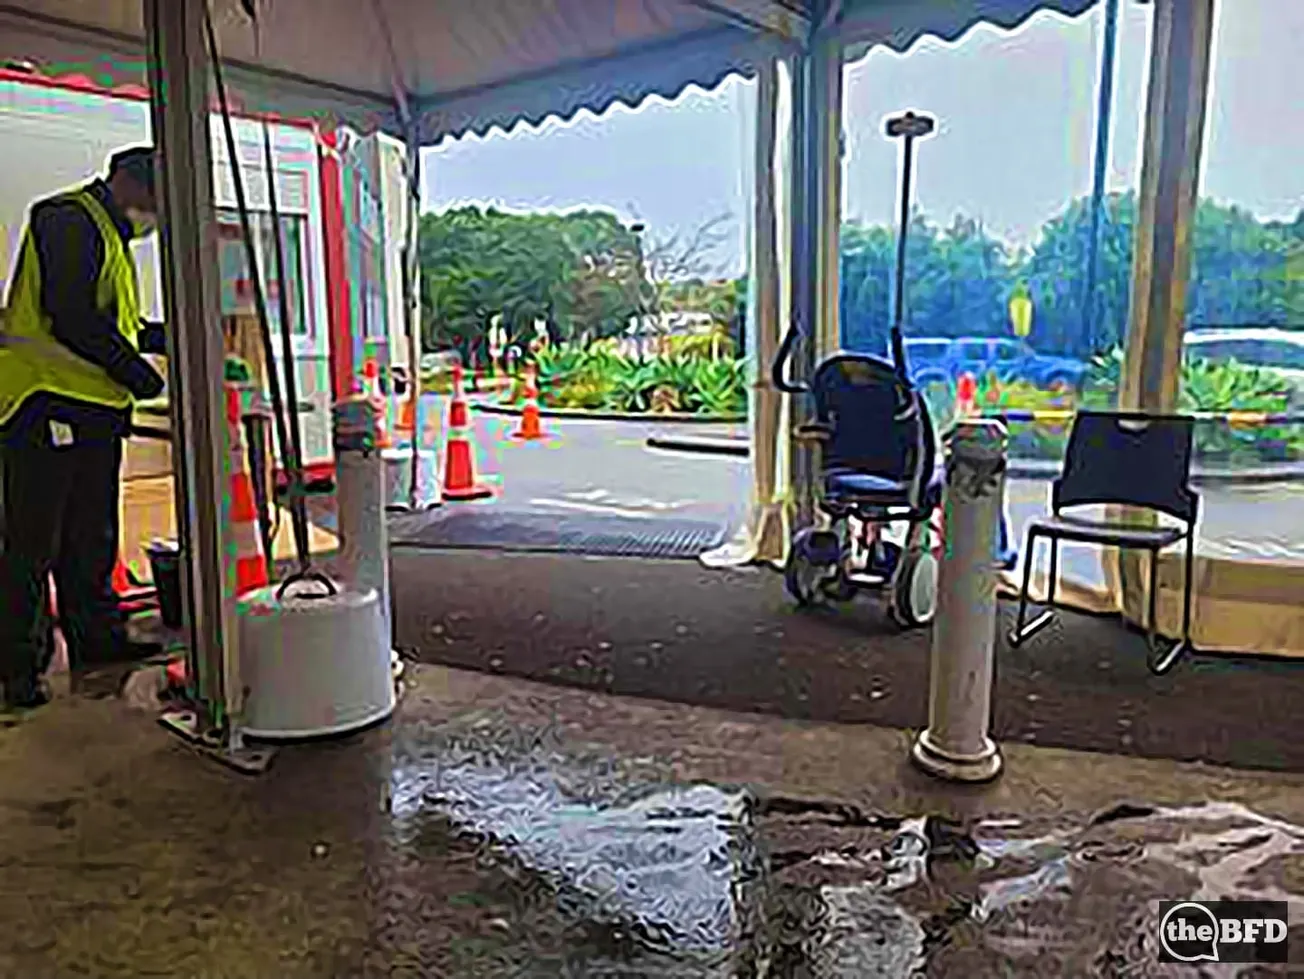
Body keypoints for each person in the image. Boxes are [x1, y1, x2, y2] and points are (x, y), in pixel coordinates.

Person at [0, 146, 167, 709]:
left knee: (91, 535)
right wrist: (139, 374)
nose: (155, 216)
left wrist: (169, 336)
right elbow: (71, 314)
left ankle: (97, 637)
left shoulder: (115, 242)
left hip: (92, 410)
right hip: (46, 403)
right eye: (154, 200)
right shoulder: (66, 217)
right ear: (127, 182)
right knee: (32, 542)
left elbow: (120, 323)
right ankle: (17, 668)